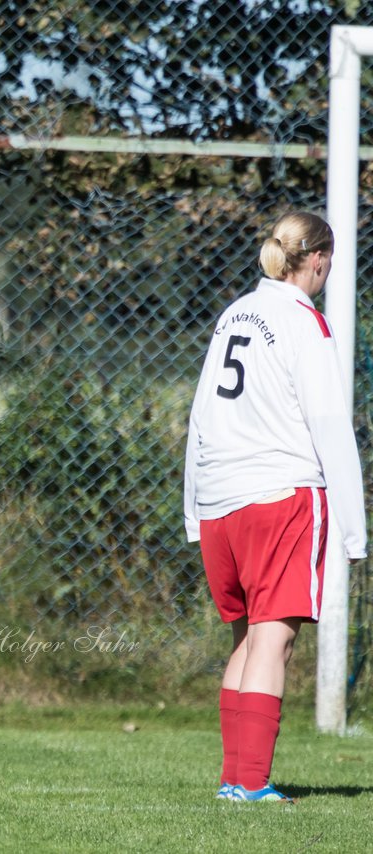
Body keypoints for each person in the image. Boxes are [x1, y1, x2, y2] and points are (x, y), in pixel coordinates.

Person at [184, 211, 366, 803]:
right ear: (317, 259)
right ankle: (253, 784)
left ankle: (233, 782)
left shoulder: (234, 312)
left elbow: (200, 414)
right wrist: (355, 528)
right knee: (274, 639)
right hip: (280, 494)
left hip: (219, 499)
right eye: (329, 262)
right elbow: (329, 424)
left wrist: (194, 505)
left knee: (245, 638)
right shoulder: (301, 321)